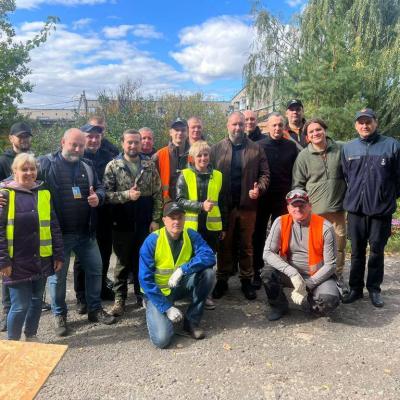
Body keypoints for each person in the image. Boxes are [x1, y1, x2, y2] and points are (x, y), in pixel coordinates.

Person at [38, 128, 116, 336]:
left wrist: (98, 197)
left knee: (96, 270)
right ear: (63, 142)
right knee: (57, 278)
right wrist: (4, 189)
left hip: (86, 234)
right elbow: (19, 176)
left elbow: (100, 187)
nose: (77, 149)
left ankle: (94, 309)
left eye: (81, 146)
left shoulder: (87, 166)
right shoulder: (45, 163)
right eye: (74, 144)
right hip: (59, 236)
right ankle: (59, 314)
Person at [0, 153, 64, 341]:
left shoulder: (43, 193)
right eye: (24, 169)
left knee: (36, 302)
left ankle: (31, 336)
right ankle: (13, 343)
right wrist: (3, 261)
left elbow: (53, 226)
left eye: (32, 169)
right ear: (14, 171)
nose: (29, 172)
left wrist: (58, 255)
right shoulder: (5, 195)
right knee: (19, 306)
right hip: (16, 262)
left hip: (41, 259)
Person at [341, 108, 400, 307]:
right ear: (356, 125)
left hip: (380, 210)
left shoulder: (391, 146)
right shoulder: (348, 148)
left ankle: (374, 289)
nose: (364, 126)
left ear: (376, 123)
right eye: (361, 122)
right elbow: (346, 176)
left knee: (376, 250)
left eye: (368, 122)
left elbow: (398, 178)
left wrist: (385, 196)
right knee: (356, 251)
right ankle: (355, 289)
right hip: (356, 209)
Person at [210, 112, 270, 300]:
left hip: (247, 206)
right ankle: (222, 279)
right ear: (227, 125)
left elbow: (265, 174)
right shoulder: (216, 149)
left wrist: (259, 189)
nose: (238, 128)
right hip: (224, 206)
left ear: (245, 126)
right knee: (224, 245)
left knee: (246, 245)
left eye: (241, 124)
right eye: (234, 124)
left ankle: (246, 280)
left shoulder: (256, 149)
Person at [139, 202, 216, 348]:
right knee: (162, 340)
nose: (177, 221)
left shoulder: (190, 235)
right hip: (158, 293)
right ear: (164, 220)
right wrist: (166, 308)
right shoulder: (152, 241)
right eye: (172, 218)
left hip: (179, 286)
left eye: (180, 217)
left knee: (208, 274)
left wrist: (182, 270)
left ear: (184, 219)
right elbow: (145, 280)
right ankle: (154, 307)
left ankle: (191, 321)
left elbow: (209, 256)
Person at [103, 129, 162, 315]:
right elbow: (106, 195)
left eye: (136, 142)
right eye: (129, 142)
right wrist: (126, 195)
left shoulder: (149, 164)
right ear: (123, 143)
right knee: (122, 262)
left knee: (143, 260)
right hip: (122, 221)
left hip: (144, 221)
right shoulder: (113, 166)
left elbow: (157, 194)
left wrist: (156, 219)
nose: (133, 145)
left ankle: (141, 294)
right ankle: (119, 299)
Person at [262, 189, 340, 321]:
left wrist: (307, 285)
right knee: (267, 274)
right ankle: (279, 306)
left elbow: (330, 265)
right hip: (290, 275)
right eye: (294, 205)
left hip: (317, 276)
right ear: (288, 208)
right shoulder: (280, 222)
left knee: (329, 300)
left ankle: (311, 302)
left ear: (310, 206)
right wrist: (292, 273)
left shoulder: (325, 227)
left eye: (302, 205)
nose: (298, 209)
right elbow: (267, 253)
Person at [292, 118, 347, 288]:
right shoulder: (303, 156)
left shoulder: (340, 149)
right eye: (311, 132)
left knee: (339, 247)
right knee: (316, 248)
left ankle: (338, 277)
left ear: (325, 130)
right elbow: (298, 185)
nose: (315, 133)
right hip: (315, 213)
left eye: (318, 129)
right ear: (307, 137)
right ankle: (316, 280)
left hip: (337, 210)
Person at [72, 119, 117, 315]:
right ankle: (81, 296)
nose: (93, 140)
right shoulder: (76, 156)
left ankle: (101, 287)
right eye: (89, 136)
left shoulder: (109, 155)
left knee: (104, 253)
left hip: (105, 212)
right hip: (82, 213)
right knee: (82, 257)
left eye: (97, 136)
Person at [176, 140, 227, 309]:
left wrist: (224, 226)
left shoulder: (218, 175)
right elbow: (179, 201)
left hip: (211, 228)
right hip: (192, 228)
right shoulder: (184, 175)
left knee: (209, 261)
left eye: (205, 155)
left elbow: (223, 202)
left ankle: (206, 294)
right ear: (192, 157)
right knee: (190, 260)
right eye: (199, 155)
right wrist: (200, 206)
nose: (203, 158)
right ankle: (190, 291)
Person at [252, 113, 298, 288]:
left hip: (283, 198)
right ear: (268, 127)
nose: (277, 128)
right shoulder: (259, 146)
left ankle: (280, 272)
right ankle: (257, 271)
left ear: (284, 127)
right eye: (274, 125)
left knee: (283, 236)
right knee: (258, 235)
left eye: (280, 125)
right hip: (263, 197)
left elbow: (296, 171)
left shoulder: (291, 147)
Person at [0, 122, 33, 332]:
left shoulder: (34, 159)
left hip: (28, 226)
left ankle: (29, 306)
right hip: (9, 224)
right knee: (8, 272)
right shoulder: (2, 161)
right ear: (11, 138)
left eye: (27, 136)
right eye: (20, 136)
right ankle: (7, 311)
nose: (24, 140)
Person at [153, 118, 190, 201]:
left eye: (183, 130)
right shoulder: (159, 155)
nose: (180, 133)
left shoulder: (195, 155)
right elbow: (152, 185)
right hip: (166, 203)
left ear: (187, 133)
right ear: (170, 132)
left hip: (189, 203)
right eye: (176, 130)